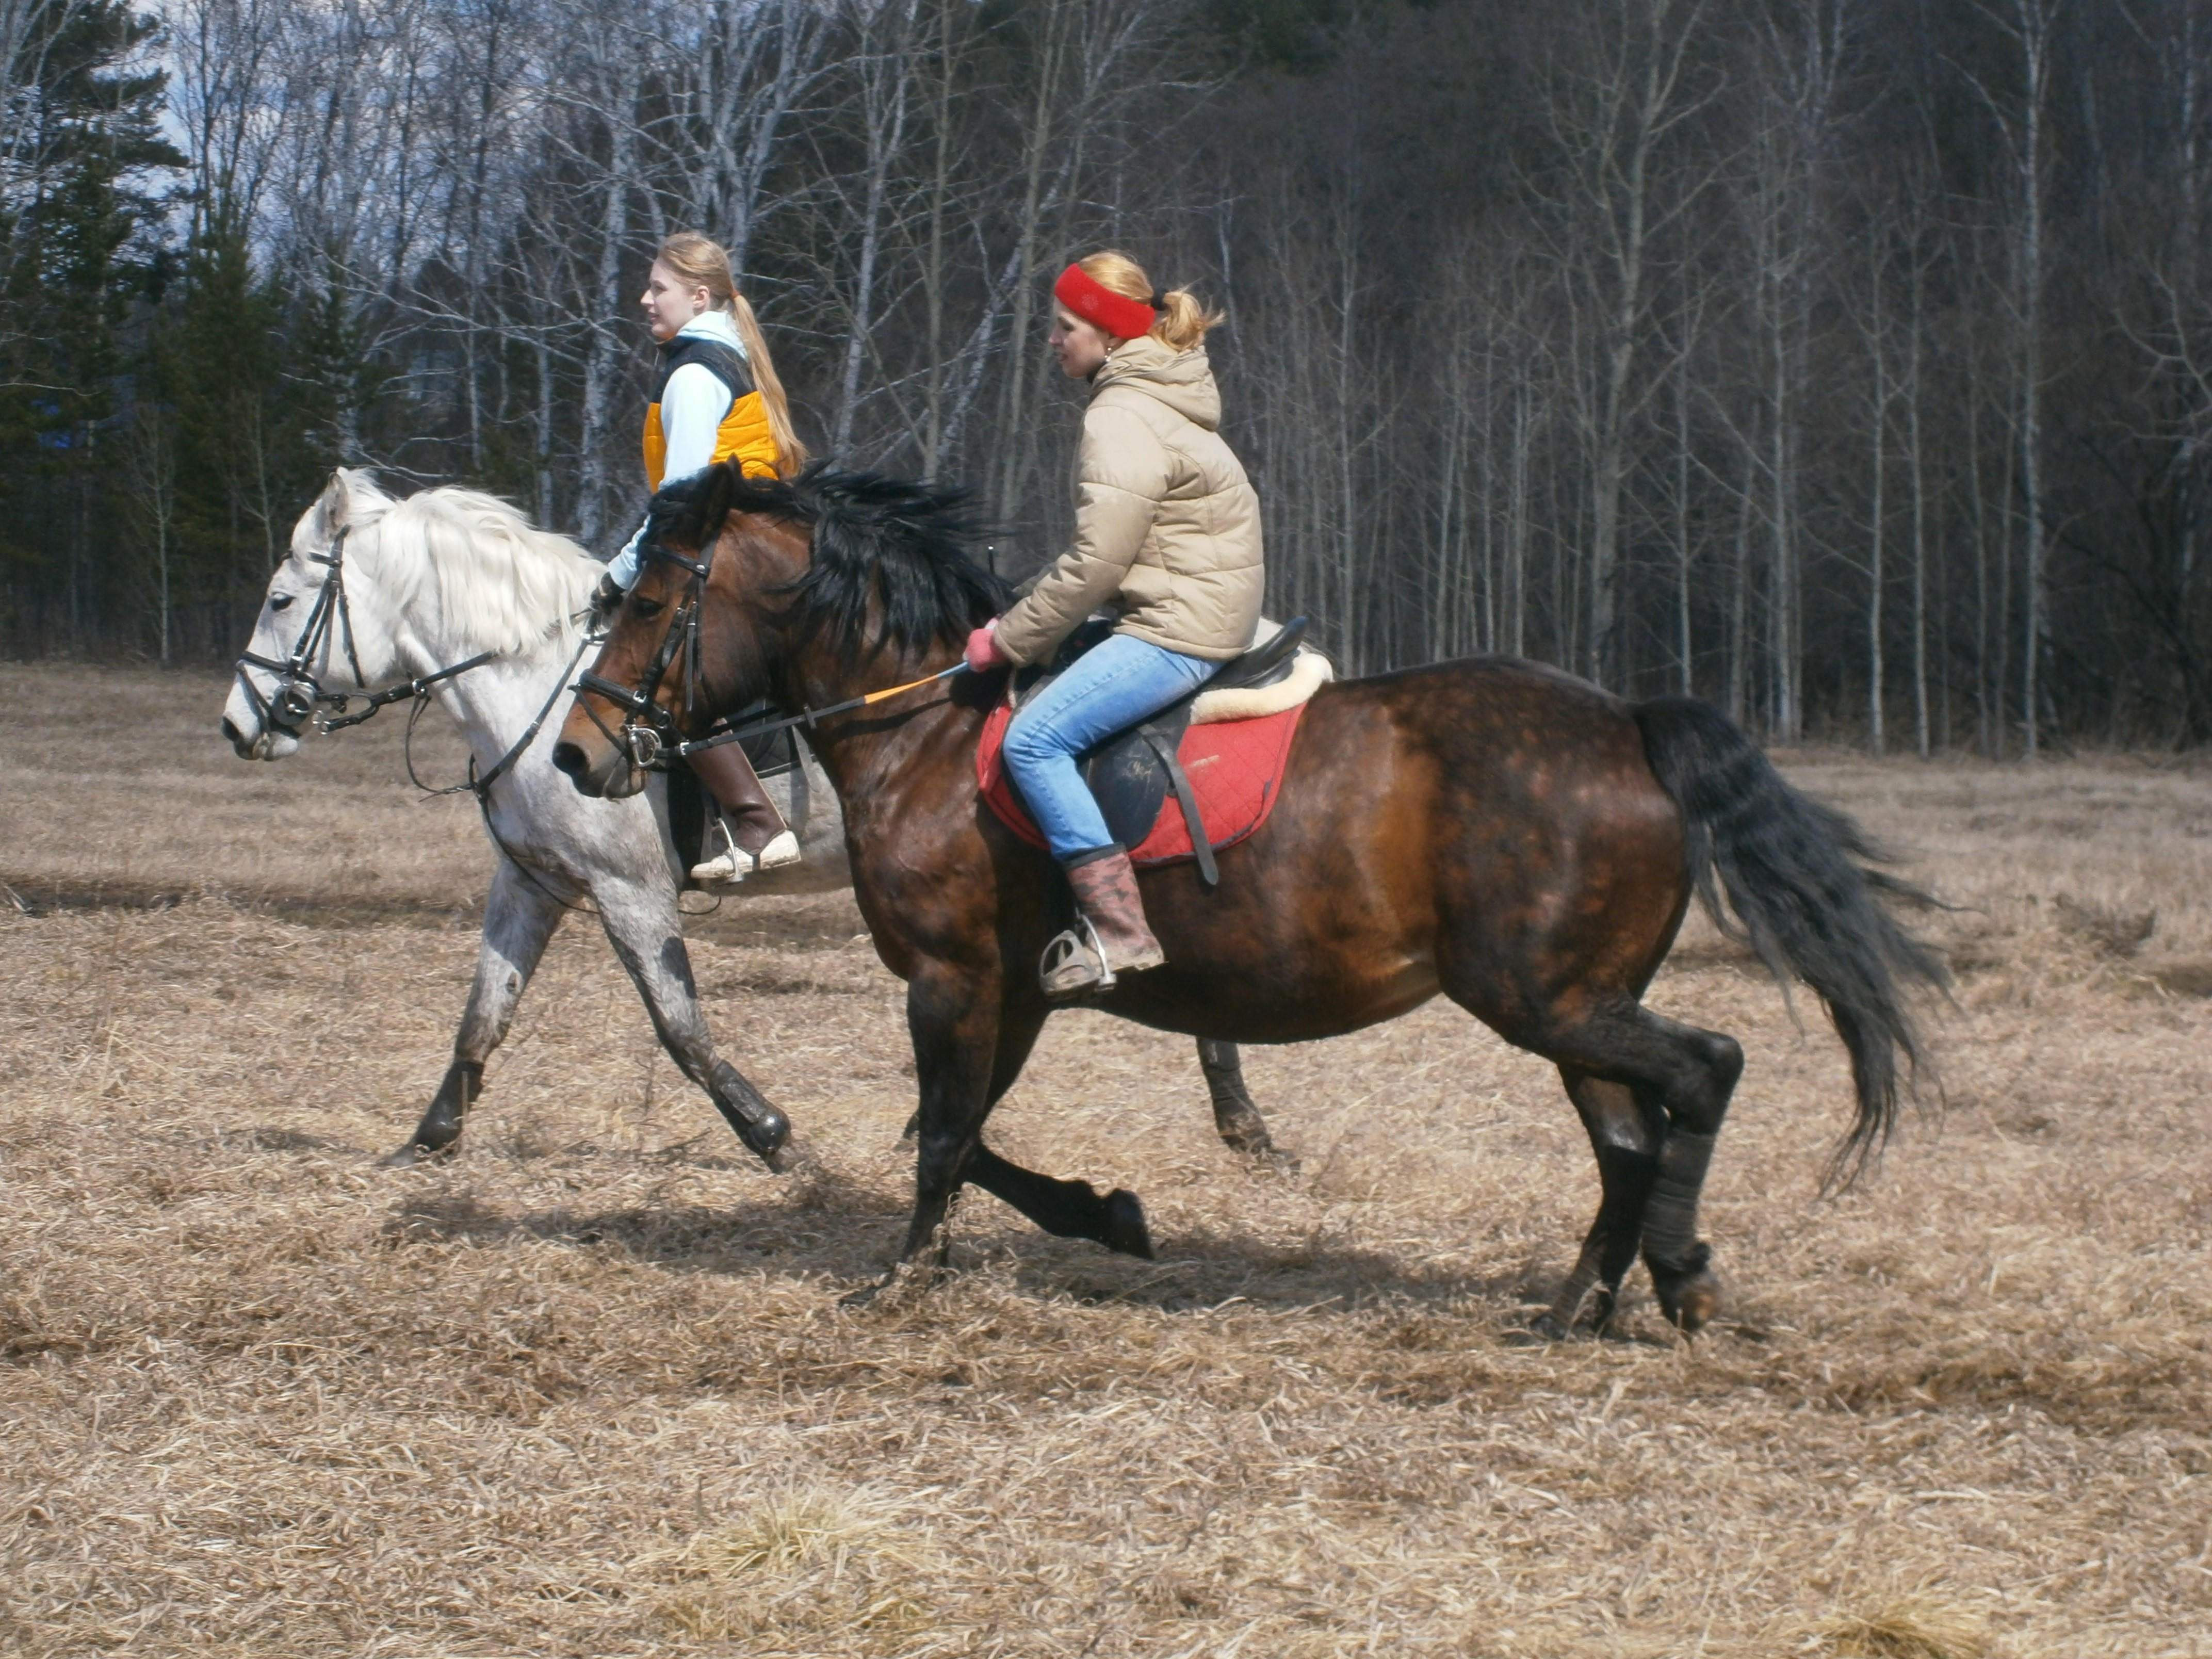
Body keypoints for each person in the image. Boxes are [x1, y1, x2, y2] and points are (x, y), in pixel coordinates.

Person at [967, 251, 1264, 996]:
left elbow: (1100, 561)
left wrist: (1006, 639)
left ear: (1104, 331)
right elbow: (1101, 552)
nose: (1052, 340)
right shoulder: (1157, 398)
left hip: (1177, 629)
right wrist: (1025, 608)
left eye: (1064, 326)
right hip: (1197, 609)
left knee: (1035, 740)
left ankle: (1119, 931)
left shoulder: (1121, 414)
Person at [601, 231, 809, 884]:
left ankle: (755, 820)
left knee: (658, 667)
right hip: (751, 552)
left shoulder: (694, 374)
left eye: (657, 288)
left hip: (728, 559)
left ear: (698, 296)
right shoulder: (723, 358)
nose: (644, 299)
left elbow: (683, 502)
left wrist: (619, 571)